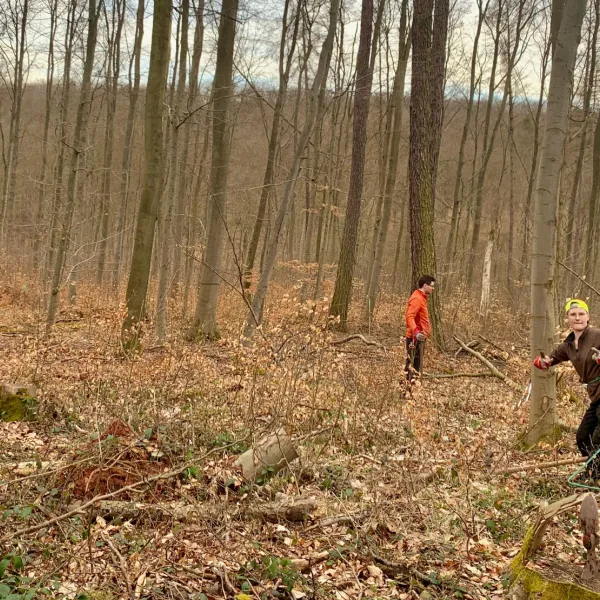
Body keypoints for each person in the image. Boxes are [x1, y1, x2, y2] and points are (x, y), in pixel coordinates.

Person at [534, 299, 600, 473]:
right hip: (596, 397)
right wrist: (543, 362)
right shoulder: (568, 345)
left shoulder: (597, 335)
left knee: (598, 440)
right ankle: (592, 471)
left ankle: (594, 476)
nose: (577, 318)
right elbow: (550, 359)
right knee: (583, 437)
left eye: (581, 314)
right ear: (568, 319)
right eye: (573, 314)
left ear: (588, 317)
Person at [404, 274, 436, 380]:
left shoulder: (422, 298)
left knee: (415, 365)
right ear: (425, 285)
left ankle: (412, 390)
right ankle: (407, 391)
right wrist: (416, 332)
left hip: (420, 338)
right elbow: (409, 316)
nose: (433, 288)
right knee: (412, 366)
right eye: (431, 285)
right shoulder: (417, 298)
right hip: (414, 338)